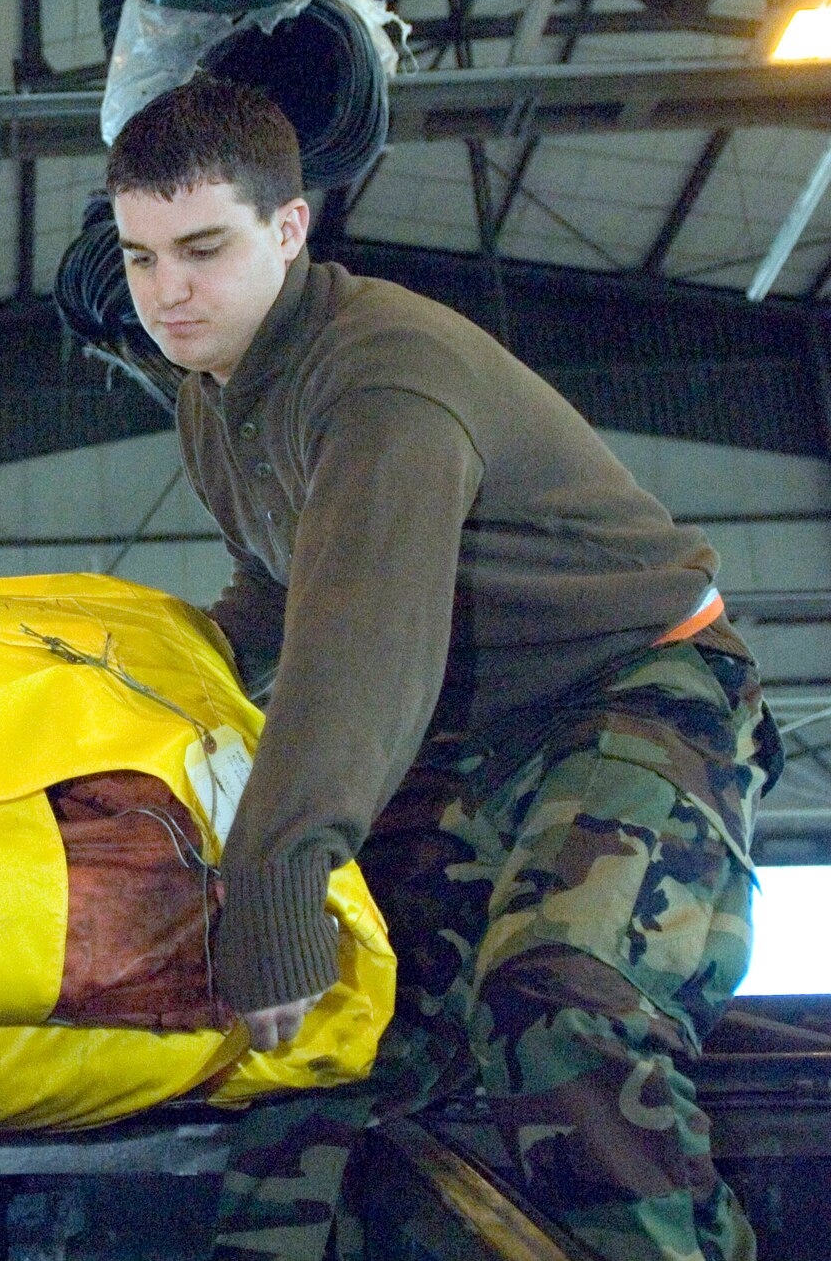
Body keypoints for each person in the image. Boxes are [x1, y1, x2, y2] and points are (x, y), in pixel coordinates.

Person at [106, 74, 783, 1261]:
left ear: (288, 227)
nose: (167, 293)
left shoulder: (380, 380)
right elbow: (273, 587)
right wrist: (141, 673)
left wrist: (275, 885)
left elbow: (354, 649)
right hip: (471, 729)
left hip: (632, 686)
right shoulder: (216, 395)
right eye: (139, 256)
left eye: (201, 249)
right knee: (325, 1032)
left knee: (556, 1000)